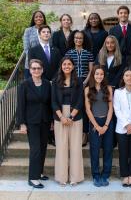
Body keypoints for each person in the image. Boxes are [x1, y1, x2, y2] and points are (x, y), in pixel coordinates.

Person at [16, 59, 52, 189]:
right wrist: (22, 123)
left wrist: (52, 121)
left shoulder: (47, 84)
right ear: (30, 70)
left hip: (45, 121)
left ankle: (39, 172)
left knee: (43, 148)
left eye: (38, 68)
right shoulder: (24, 85)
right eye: (34, 68)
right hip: (31, 122)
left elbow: (49, 104)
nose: (36, 70)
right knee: (35, 150)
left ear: (42, 70)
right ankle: (33, 177)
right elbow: (21, 106)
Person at [51, 56, 84, 186]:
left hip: (75, 115)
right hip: (60, 116)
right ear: (61, 66)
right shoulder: (55, 81)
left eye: (69, 64)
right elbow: (53, 101)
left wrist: (71, 117)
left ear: (73, 66)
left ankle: (75, 178)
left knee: (76, 147)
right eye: (64, 64)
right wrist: (61, 117)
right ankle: (61, 177)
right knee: (61, 147)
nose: (67, 66)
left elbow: (80, 100)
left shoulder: (79, 81)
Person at [85, 65, 113, 187]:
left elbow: (111, 108)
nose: (99, 76)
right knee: (94, 151)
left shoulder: (108, 88)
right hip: (94, 122)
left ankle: (105, 175)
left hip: (107, 122)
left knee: (108, 150)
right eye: (97, 74)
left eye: (101, 74)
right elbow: (88, 110)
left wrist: (106, 125)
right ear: (93, 75)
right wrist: (96, 126)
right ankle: (96, 175)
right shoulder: (87, 90)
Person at [65, 30, 94, 146]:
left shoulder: (88, 53)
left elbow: (91, 70)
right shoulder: (69, 53)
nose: (78, 40)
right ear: (73, 39)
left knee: (86, 108)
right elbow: (66, 68)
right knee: (74, 106)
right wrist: (74, 81)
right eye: (76, 38)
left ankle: (84, 135)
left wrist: (85, 82)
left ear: (83, 39)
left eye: (80, 38)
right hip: (72, 82)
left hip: (86, 82)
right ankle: (73, 134)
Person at [23, 10, 47, 79]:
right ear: (33, 19)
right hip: (31, 64)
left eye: (40, 16)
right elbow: (26, 49)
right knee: (30, 87)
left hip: (45, 64)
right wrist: (34, 62)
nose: (38, 18)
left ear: (43, 18)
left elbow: (49, 47)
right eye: (36, 17)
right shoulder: (28, 31)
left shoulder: (48, 30)